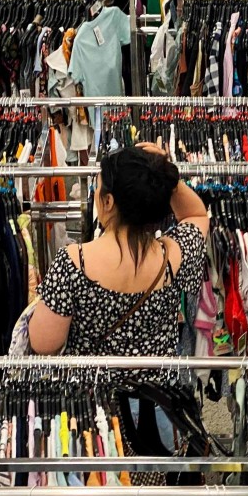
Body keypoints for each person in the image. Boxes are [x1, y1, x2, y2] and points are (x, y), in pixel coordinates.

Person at [28, 143, 208, 356]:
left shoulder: (73, 263)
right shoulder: (174, 256)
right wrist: (165, 175)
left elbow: (44, 344)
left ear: (109, 201)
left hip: (92, 388)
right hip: (156, 387)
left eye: (98, 188)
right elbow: (196, 215)